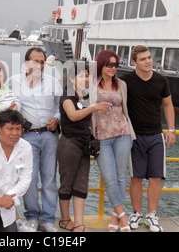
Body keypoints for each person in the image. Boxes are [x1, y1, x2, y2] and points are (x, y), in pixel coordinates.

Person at [121, 45, 176, 232]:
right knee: (135, 177)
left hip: (156, 136)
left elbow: (168, 105)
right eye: (143, 59)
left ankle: (152, 216)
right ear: (134, 63)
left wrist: (172, 129)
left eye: (149, 57)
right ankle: (136, 213)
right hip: (134, 137)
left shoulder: (161, 80)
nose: (148, 61)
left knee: (155, 177)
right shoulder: (125, 81)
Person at [9, 47, 62, 232]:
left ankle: (47, 219)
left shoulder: (54, 83)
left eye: (42, 62)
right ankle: (31, 216)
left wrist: (56, 119)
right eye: (35, 61)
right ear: (26, 63)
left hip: (49, 135)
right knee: (29, 179)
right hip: (26, 137)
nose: (39, 65)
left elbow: (59, 106)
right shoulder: (13, 82)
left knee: (49, 179)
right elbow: (8, 106)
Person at [57, 62, 110, 232]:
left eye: (87, 75)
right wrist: (94, 107)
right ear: (72, 78)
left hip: (84, 144)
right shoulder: (67, 96)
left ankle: (79, 224)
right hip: (69, 144)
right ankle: (65, 220)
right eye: (81, 75)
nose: (85, 78)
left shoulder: (86, 97)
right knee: (67, 183)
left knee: (81, 184)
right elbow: (73, 116)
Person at [92, 50, 136, 232]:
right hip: (101, 136)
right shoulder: (92, 84)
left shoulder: (122, 85)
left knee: (120, 177)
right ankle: (123, 215)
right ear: (101, 65)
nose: (112, 68)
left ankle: (114, 214)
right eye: (109, 64)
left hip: (122, 133)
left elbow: (126, 108)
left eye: (115, 65)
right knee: (109, 178)